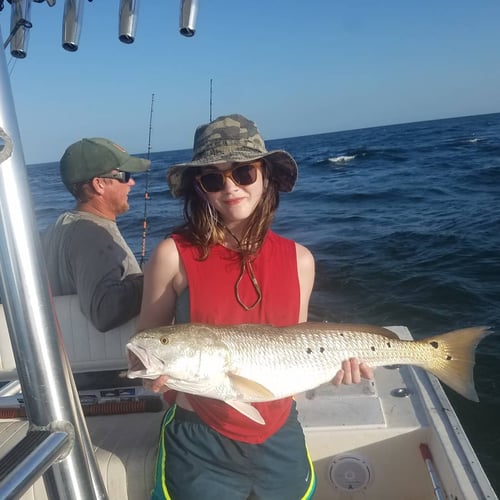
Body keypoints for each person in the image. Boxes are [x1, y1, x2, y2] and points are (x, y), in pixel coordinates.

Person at [136, 114, 372, 500]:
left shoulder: (300, 260)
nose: (230, 187)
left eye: (243, 173)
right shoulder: (172, 255)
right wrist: (153, 378)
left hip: (281, 437)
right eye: (213, 179)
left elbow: (295, 348)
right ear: (201, 189)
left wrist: (334, 368)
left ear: (266, 176)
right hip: (199, 443)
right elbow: (144, 343)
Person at [42, 137, 150, 333]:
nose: (132, 182)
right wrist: (157, 277)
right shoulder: (91, 232)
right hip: (107, 360)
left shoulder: (58, 226)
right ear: (99, 184)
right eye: (125, 176)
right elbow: (104, 310)